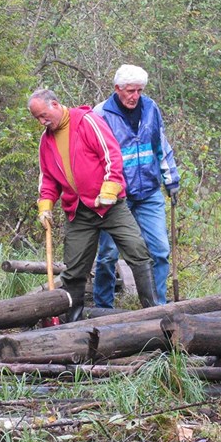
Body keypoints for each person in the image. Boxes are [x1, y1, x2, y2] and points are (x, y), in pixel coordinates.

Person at [28, 88, 157, 322]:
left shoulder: (86, 121)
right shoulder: (46, 141)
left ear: (55, 104)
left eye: (43, 115)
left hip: (110, 206)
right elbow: (47, 178)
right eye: (37, 118)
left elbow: (112, 155)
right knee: (74, 268)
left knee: (137, 252)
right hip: (78, 211)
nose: (41, 121)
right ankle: (73, 322)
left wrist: (109, 188)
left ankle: (154, 312)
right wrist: (45, 205)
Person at [91, 64, 180, 307]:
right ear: (117, 89)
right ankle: (103, 308)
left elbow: (160, 145)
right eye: (130, 91)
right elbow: (94, 157)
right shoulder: (101, 114)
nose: (135, 96)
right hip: (117, 196)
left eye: (139, 90)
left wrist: (171, 178)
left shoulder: (151, 108)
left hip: (149, 191)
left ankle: (157, 307)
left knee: (160, 251)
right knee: (108, 254)